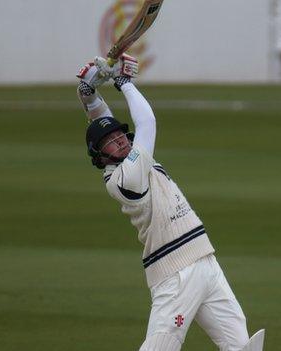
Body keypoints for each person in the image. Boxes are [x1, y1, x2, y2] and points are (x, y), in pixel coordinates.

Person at [76, 55, 265, 351]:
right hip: (175, 273)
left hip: (205, 260)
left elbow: (102, 123)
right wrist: (123, 83)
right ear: (100, 158)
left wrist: (89, 95)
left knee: (242, 346)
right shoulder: (126, 178)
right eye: (111, 142)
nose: (121, 140)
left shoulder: (131, 160)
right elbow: (147, 121)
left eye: (120, 135)